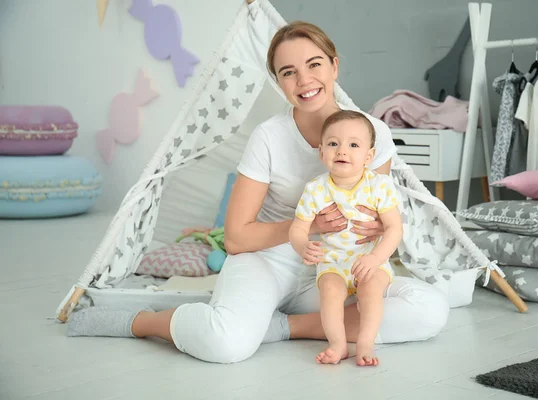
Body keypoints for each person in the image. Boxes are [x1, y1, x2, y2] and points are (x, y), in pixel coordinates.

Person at [66, 20, 450, 364]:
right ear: (279, 83)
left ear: (334, 66)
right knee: (226, 346)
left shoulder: (373, 134)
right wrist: (308, 227)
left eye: (314, 64)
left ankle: (284, 327)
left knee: (430, 310)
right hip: (269, 260)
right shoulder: (269, 136)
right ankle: (144, 322)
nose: (304, 80)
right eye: (288, 72)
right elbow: (235, 238)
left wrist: (379, 231)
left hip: (335, 267)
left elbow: (377, 212)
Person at [289, 110, 404, 366]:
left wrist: (375, 258)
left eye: (353, 145)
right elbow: (298, 228)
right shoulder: (316, 189)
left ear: (369, 156)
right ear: (321, 152)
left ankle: (365, 343)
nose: (342, 151)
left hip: (370, 259)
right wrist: (302, 245)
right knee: (330, 291)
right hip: (333, 261)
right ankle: (338, 344)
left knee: (371, 289)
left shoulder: (379, 185)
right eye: (333, 144)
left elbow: (394, 228)